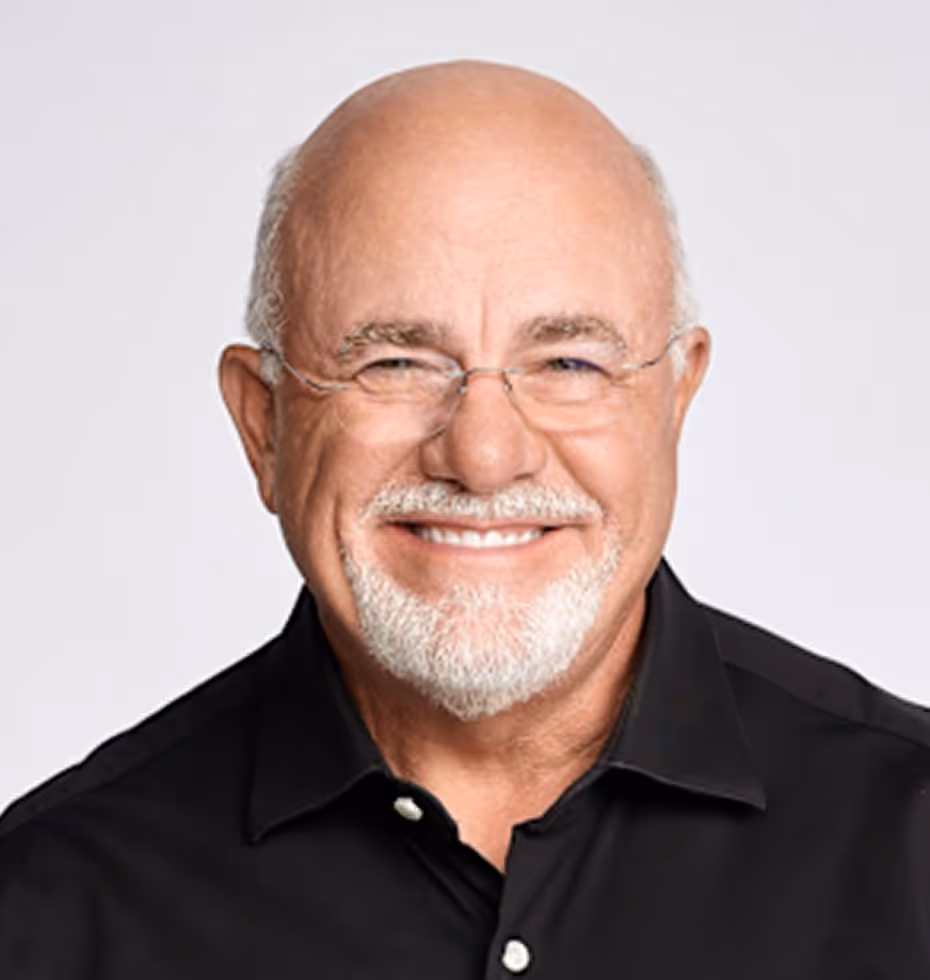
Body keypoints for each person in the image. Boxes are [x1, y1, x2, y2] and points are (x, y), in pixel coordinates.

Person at [1, 60, 928, 979]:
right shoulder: (48, 909)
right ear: (263, 424)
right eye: (396, 364)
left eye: (568, 364)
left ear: (675, 399)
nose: (484, 457)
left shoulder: (909, 845)